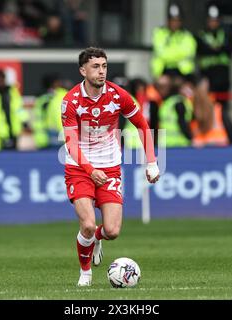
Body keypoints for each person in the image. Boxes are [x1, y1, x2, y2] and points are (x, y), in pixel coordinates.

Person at [62, 47, 160, 286]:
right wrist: (89, 170)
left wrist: (152, 161)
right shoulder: (70, 101)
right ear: (83, 70)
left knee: (112, 231)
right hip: (79, 168)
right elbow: (71, 142)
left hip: (110, 168)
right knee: (86, 223)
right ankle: (85, 273)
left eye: (104, 66)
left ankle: (97, 238)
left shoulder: (119, 96)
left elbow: (142, 125)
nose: (101, 71)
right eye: (95, 67)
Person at [196, 3, 232, 143]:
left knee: (223, 111)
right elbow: (202, 49)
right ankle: (209, 135)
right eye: (211, 20)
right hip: (208, 80)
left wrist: (213, 49)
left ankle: (225, 135)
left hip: (223, 80)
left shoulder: (226, 34)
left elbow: (230, 48)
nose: (213, 23)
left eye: (216, 20)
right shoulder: (200, 35)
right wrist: (218, 49)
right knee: (208, 110)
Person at [151, 3, 197, 82]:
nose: (175, 23)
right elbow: (161, 53)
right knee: (163, 83)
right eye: (172, 20)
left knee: (186, 89)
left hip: (183, 74)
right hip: (162, 72)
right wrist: (178, 53)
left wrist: (169, 53)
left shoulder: (188, 36)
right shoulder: (159, 33)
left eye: (177, 20)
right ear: (168, 21)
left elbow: (188, 52)